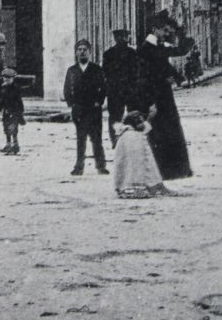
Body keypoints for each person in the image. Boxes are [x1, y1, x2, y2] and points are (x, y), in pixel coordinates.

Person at [135, 12, 193, 180]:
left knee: (170, 130)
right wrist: (150, 102)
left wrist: (180, 33)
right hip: (154, 96)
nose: (167, 34)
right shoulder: (146, 49)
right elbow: (144, 79)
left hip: (164, 95)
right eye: (164, 30)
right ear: (155, 29)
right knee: (159, 133)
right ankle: (164, 170)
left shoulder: (159, 46)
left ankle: (175, 170)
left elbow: (181, 50)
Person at [63, 39, 109, 176]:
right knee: (80, 138)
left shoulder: (96, 69)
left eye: (85, 49)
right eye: (79, 49)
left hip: (94, 109)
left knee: (97, 138)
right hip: (79, 109)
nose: (82, 52)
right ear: (76, 52)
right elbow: (66, 89)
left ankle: (101, 166)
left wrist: (99, 101)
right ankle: (79, 166)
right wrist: (71, 104)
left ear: (89, 52)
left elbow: (104, 87)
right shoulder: (72, 71)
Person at [112, 110, 168, 199]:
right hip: (134, 180)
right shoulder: (134, 136)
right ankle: (136, 189)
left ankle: (129, 188)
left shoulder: (125, 134)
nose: (142, 124)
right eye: (140, 122)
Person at [101, 28, 138, 144]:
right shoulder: (110, 54)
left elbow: (137, 71)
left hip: (122, 89)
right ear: (116, 39)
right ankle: (119, 140)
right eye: (121, 37)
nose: (123, 39)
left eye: (124, 37)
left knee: (124, 115)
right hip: (121, 89)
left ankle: (122, 140)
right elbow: (105, 72)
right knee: (118, 116)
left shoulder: (131, 53)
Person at [0, 66, 25, 155]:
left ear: (13, 78)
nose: (6, 80)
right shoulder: (3, 88)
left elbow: (18, 101)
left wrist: (20, 112)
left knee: (13, 129)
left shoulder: (15, 89)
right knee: (6, 128)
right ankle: (8, 144)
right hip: (6, 111)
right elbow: (2, 99)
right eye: (5, 78)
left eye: (9, 78)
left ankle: (15, 144)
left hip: (14, 111)